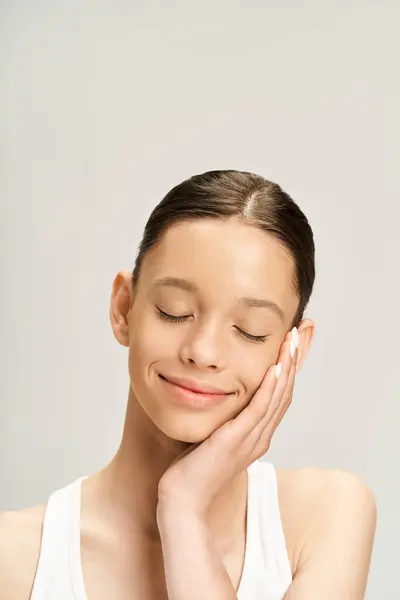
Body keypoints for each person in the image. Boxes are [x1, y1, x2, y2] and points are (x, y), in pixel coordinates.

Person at [0, 170, 376, 600]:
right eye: (174, 311)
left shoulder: (325, 516)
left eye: (250, 330)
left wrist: (183, 507)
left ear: (292, 350)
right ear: (125, 307)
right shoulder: (14, 559)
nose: (203, 351)